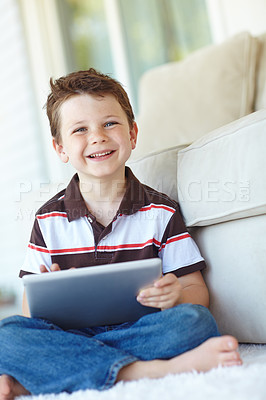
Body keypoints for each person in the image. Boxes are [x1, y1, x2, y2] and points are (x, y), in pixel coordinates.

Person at [0, 69, 242, 399]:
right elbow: (31, 311)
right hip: (72, 332)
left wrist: (176, 295)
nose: (97, 137)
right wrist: (49, 290)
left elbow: (195, 291)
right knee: (7, 333)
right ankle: (151, 371)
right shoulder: (48, 219)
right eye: (80, 129)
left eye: (109, 123)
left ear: (132, 134)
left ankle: (52, 373)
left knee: (195, 321)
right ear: (60, 148)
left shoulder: (161, 211)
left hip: (141, 330)